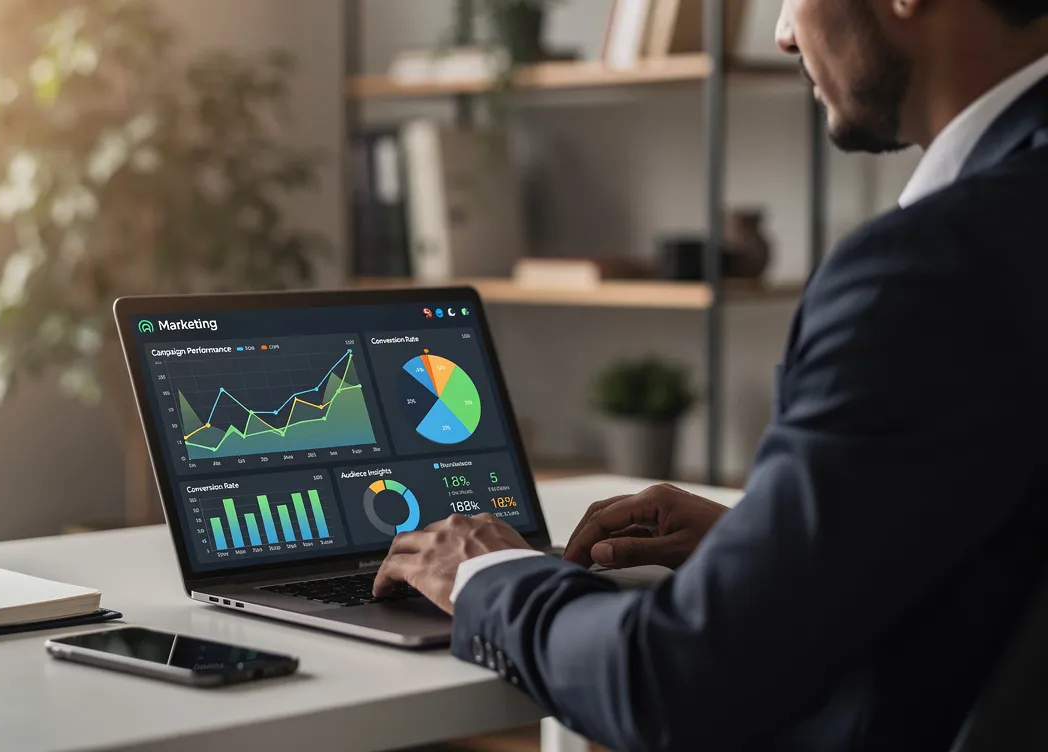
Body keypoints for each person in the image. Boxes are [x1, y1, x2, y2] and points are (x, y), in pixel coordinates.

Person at [372, 1, 1048, 749]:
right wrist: (771, 553)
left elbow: (671, 682)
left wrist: (487, 578)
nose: (785, 32)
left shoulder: (925, 271)